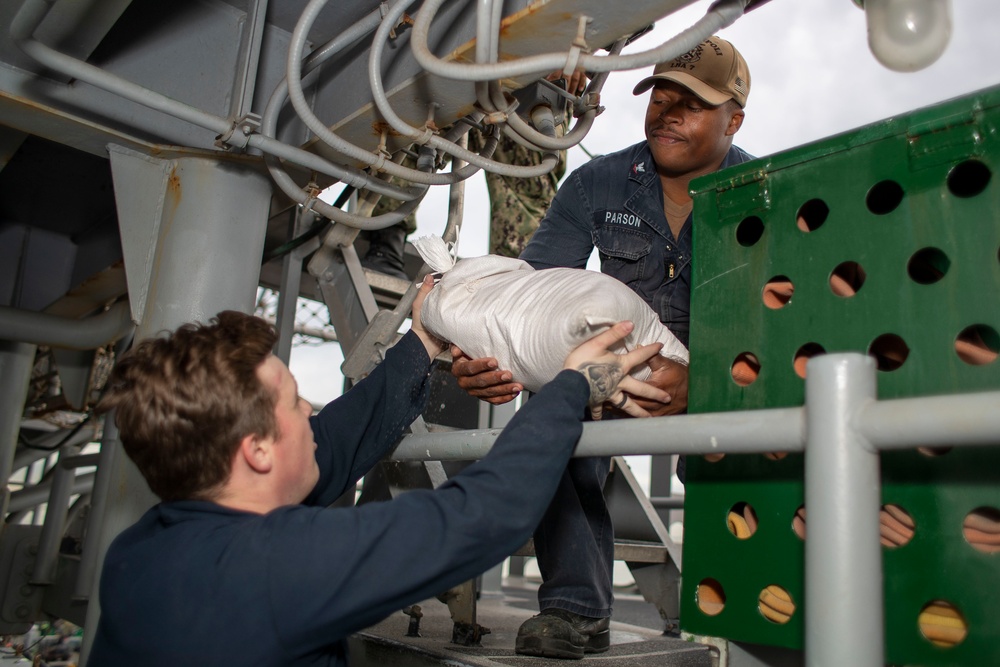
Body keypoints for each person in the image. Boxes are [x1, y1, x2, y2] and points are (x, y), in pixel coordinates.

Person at [86, 274, 669, 666]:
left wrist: (421, 342)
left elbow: (333, 445)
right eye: (294, 403)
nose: (310, 409)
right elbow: (482, 515)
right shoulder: (272, 569)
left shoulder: (140, 552)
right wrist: (571, 387)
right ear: (257, 452)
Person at [450, 36, 755, 659]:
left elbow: (784, 329)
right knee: (550, 413)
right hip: (612, 375)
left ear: (734, 120)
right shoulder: (598, 184)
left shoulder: (763, 195)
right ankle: (574, 609)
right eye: (659, 97)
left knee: (752, 445)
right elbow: (533, 296)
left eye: (690, 104)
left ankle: (741, 609)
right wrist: (485, 359)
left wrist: (704, 384)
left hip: (724, 386)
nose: (666, 113)